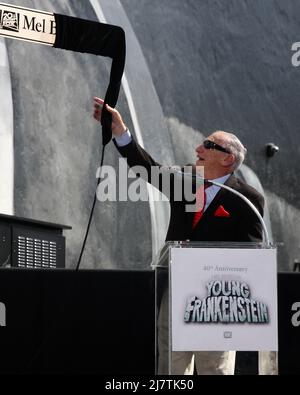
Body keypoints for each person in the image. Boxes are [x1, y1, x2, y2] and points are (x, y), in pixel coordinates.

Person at [93, 97, 265, 375]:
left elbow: (252, 253)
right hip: (177, 291)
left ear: (228, 158)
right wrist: (119, 132)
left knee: (215, 370)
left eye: (208, 145)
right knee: (171, 370)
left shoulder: (247, 198)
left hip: (217, 301)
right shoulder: (186, 179)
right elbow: (147, 169)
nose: (199, 148)